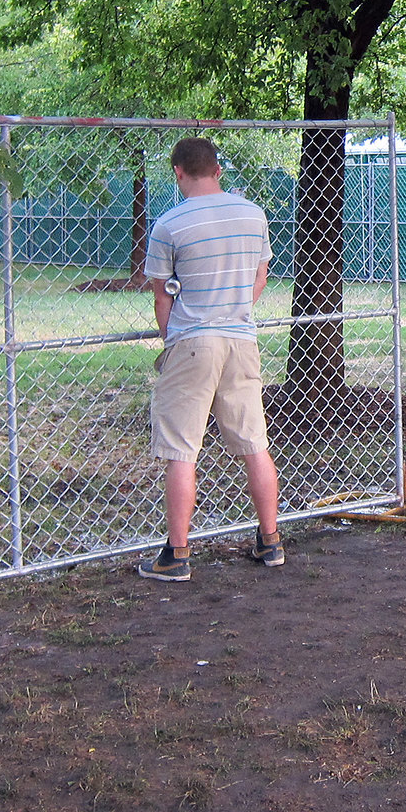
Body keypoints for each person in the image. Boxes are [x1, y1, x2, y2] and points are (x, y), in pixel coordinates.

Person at [139, 137, 283, 580]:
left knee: (181, 450)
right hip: (241, 340)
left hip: (193, 343)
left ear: (178, 172)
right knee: (254, 443)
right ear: (218, 170)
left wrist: (174, 338)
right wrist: (234, 309)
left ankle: (177, 555)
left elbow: (162, 296)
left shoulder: (169, 224)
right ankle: (271, 542)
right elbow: (260, 277)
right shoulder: (253, 214)